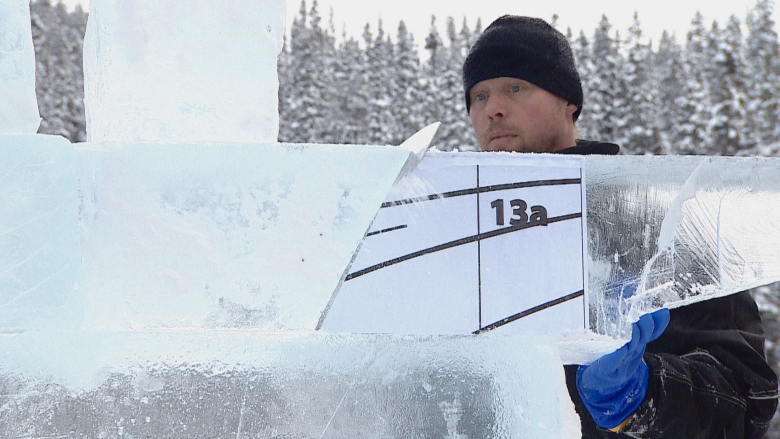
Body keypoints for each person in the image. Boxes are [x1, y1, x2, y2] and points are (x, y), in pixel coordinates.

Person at [462, 15, 779, 438]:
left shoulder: (660, 220)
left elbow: (747, 400)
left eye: (515, 88)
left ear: (568, 101)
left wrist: (641, 397)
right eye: (478, 95)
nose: (492, 109)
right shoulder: (461, 235)